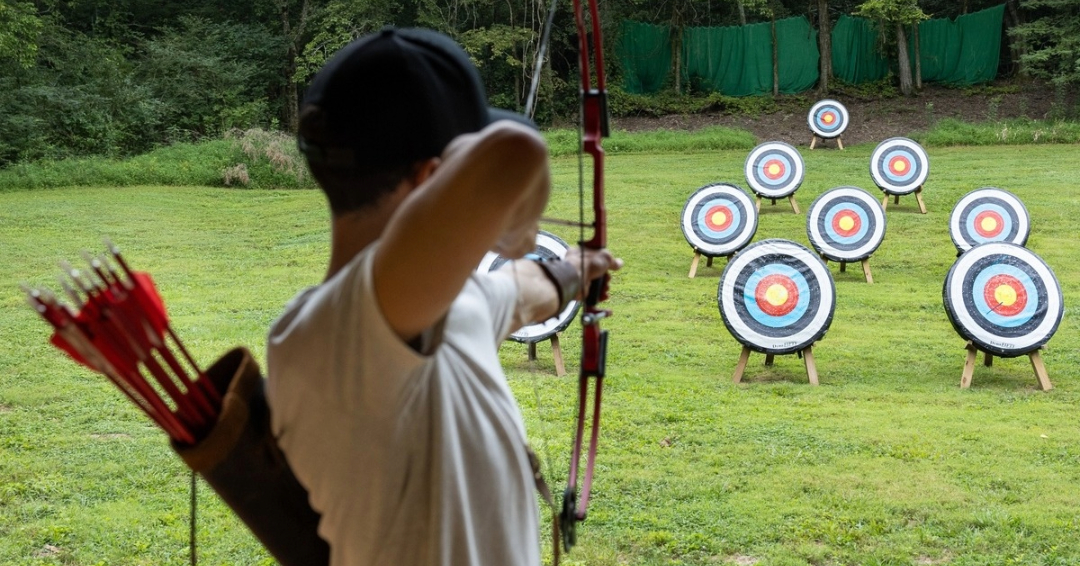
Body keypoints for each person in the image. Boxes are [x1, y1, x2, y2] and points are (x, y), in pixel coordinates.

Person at [265, 27, 622, 566]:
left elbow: (516, 293)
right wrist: (516, 233)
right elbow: (516, 152)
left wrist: (573, 271)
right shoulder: (337, 333)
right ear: (434, 176)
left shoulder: (435, 303)